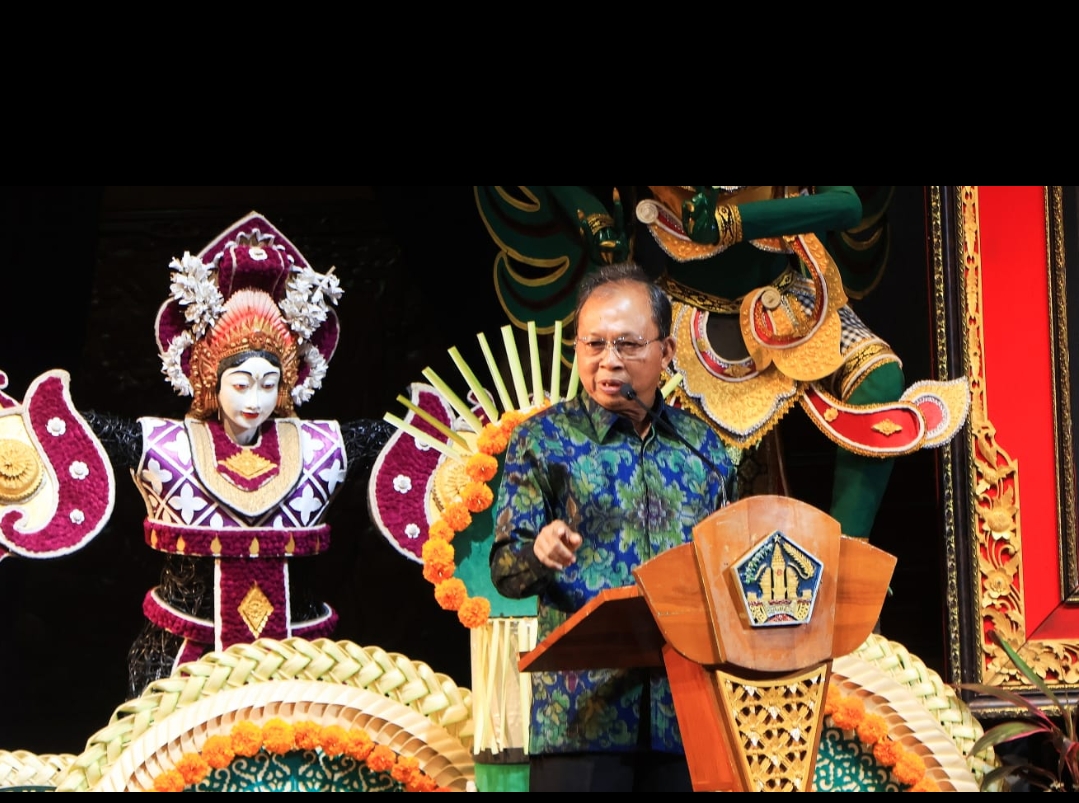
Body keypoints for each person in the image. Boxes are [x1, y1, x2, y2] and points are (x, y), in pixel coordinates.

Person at [83, 212, 395, 698]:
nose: (255, 400)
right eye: (242, 383)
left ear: (287, 384)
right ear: (211, 378)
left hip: (299, 660)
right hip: (180, 662)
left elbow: (394, 439)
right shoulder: (167, 446)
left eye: (269, 385)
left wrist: (459, 436)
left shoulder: (319, 448)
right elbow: (88, 431)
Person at [489, 261, 736, 792]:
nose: (608, 360)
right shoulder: (544, 441)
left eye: (627, 344)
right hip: (582, 716)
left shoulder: (701, 447)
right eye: (594, 344)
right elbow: (506, 570)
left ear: (666, 352)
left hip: (686, 715)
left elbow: (730, 568)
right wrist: (539, 553)